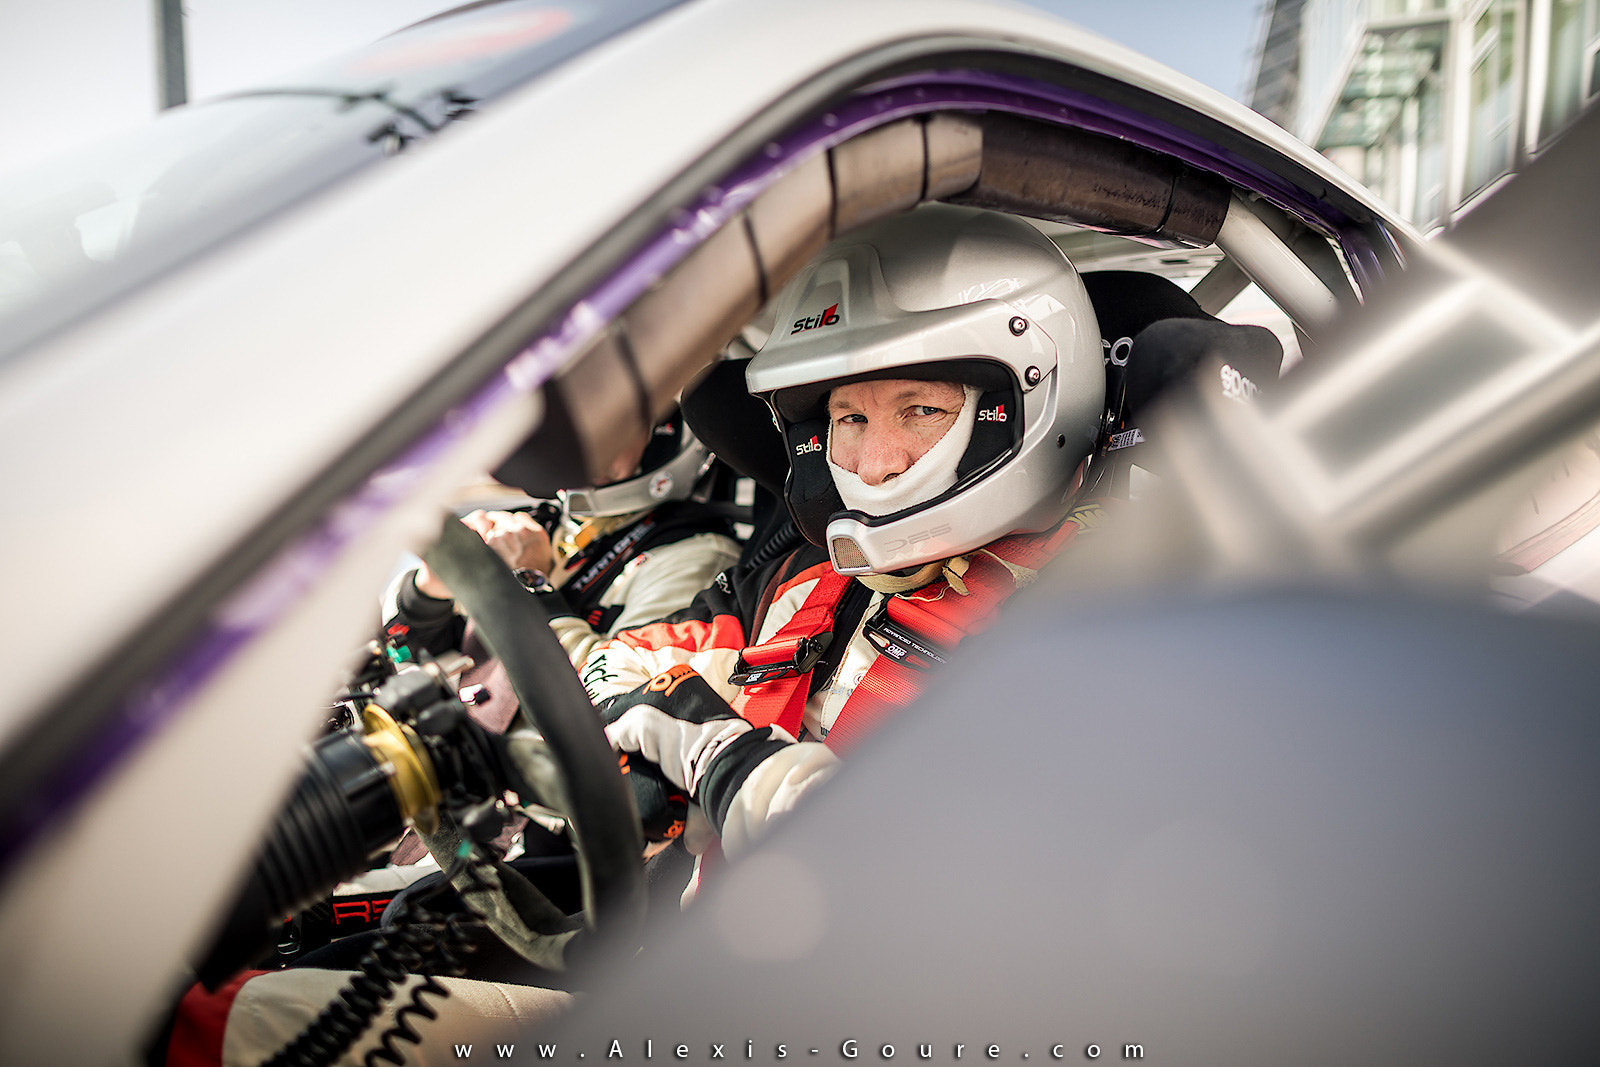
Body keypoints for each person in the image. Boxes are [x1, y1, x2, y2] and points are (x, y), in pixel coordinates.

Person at [589, 204, 1109, 879]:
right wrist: (666, 714)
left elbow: (963, 870)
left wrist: (725, 759)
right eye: (849, 417)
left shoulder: (1096, 619)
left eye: (919, 409)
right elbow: (617, 660)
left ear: (1020, 403)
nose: (872, 464)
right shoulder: (804, 577)